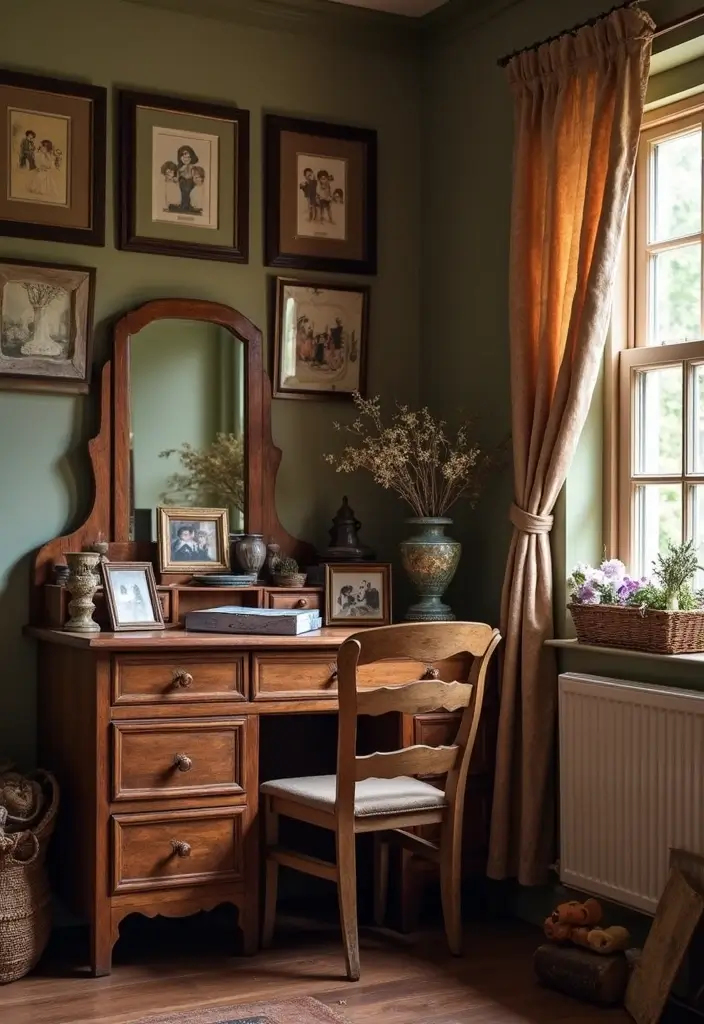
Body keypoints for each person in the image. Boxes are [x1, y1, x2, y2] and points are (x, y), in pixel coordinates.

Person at [175, 144, 198, 212]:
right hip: (182, 186)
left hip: (191, 186)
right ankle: (184, 205)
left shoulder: (193, 168)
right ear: (180, 157)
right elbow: (176, 179)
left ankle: (188, 205)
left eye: (188, 157)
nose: (186, 159)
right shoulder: (179, 168)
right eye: (184, 157)